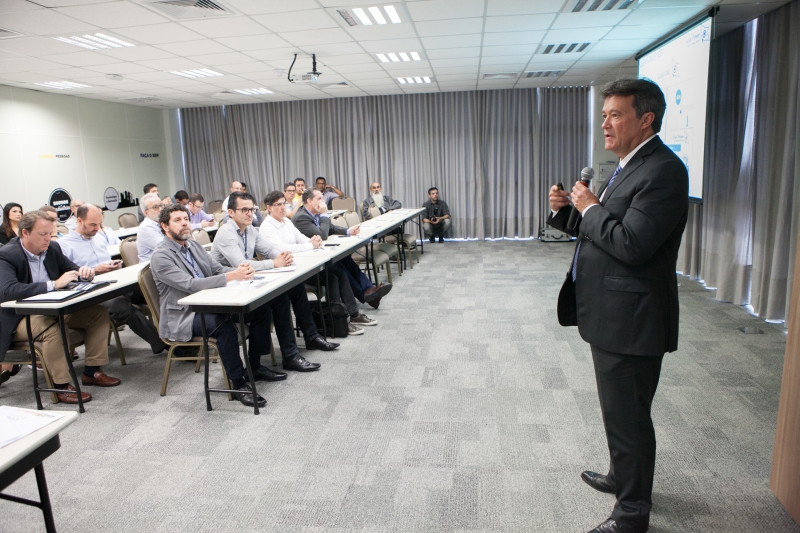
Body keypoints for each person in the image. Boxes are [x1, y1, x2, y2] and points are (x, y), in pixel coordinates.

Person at [547, 78, 689, 533]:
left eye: (615, 115)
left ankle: (631, 515)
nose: (605, 123)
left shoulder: (663, 170)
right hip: (611, 314)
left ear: (646, 119)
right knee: (619, 412)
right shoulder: (627, 166)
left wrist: (590, 207)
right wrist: (568, 211)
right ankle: (621, 476)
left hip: (633, 320)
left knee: (629, 418)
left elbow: (631, 244)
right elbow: (601, 231)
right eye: (604, 114)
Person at [0, 210, 121, 404]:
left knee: (97, 313)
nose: (48, 238)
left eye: (51, 233)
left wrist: (85, 273)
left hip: (51, 310)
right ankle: (60, 386)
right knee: (52, 328)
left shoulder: (52, 248)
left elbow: (72, 270)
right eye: (42, 234)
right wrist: (53, 284)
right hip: (18, 318)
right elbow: (8, 291)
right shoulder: (6, 255)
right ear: (25, 233)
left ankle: (92, 371)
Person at [212, 191, 337, 354]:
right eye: (244, 210)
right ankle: (290, 354)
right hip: (227, 290)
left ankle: (311, 337)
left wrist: (282, 256)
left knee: (297, 288)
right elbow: (242, 264)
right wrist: (274, 262)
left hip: (246, 281)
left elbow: (269, 250)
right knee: (280, 298)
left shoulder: (250, 230)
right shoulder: (226, 233)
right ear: (231, 212)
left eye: (252, 209)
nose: (250, 213)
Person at [57, 204, 167, 355]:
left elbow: (105, 261)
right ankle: (164, 344)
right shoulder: (64, 245)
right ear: (79, 221)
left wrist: (113, 266)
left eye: (99, 224)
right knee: (122, 307)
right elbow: (67, 277)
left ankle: (181, 334)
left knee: (153, 289)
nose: (97, 228)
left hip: (114, 283)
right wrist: (94, 270)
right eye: (92, 224)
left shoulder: (98, 238)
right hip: (93, 293)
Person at [260, 190, 370, 336]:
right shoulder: (266, 227)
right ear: (268, 207)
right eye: (278, 205)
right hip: (288, 272)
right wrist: (309, 245)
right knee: (332, 277)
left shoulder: (286, 221)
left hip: (301, 264)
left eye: (284, 204)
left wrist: (313, 241)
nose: (282, 207)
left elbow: (301, 238)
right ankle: (339, 321)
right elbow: (281, 249)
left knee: (338, 274)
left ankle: (353, 314)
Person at [293, 188, 391, 319]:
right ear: (309, 201)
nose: (323, 201)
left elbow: (331, 228)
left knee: (346, 259)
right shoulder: (301, 217)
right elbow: (322, 235)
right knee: (338, 267)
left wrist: (348, 231)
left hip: (322, 253)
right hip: (312, 263)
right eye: (319, 199)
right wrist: (324, 214)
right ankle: (365, 296)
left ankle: (368, 290)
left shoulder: (315, 213)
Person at [136, 193, 164, 262]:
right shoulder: (146, 228)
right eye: (155, 207)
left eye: (161, 205)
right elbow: (166, 247)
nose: (160, 209)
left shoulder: (162, 223)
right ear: (146, 213)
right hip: (151, 266)